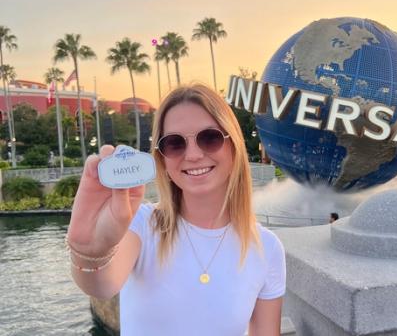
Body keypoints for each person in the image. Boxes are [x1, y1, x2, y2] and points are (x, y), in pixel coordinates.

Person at [65, 84, 286, 335]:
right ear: (162, 158)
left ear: (234, 146)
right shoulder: (142, 225)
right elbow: (103, 284)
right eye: (174, 143)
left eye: (210, 138)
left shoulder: (267, 247)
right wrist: (88, 252)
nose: (193, 155)